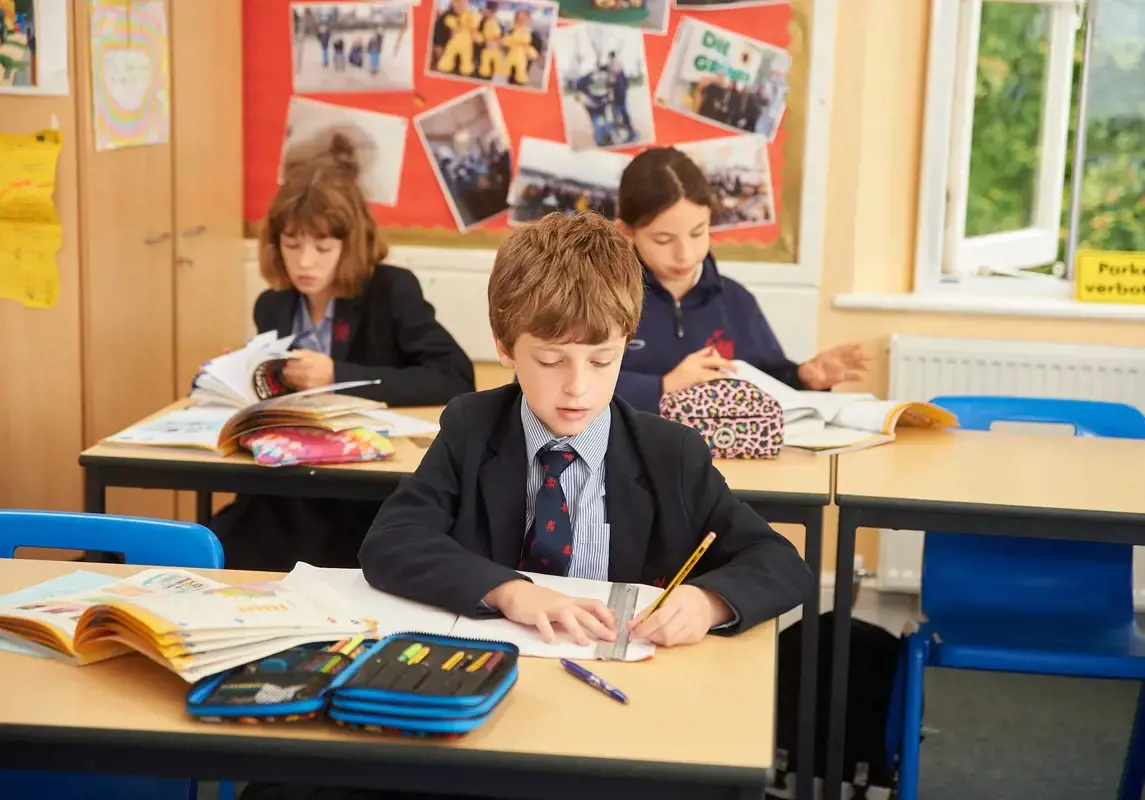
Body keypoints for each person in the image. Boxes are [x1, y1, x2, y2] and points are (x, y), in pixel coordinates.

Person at [208, 135, 475, 573]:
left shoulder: (391, 291)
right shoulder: (273, 304)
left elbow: (453, 375)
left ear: (350, 246)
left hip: (359, 494)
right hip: (283, 486)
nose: (304, 263)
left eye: (322, 248)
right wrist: (243, 373)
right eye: (292, 246)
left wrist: (337, 373)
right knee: (216, 546)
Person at [613, 147, 869, 414]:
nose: (685, 254)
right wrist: (663, 386)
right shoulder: (607, 299)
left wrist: (805, 377)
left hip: (724, 452)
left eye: (698, 233)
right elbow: (576, 386)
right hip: (631, 452)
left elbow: (770, 382)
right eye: (663, 240)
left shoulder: (735, 300)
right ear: (626, 233)